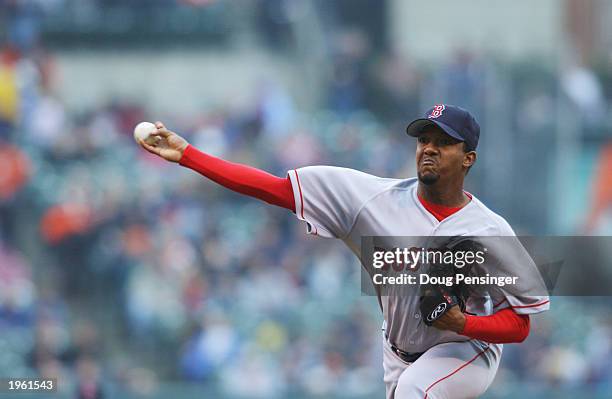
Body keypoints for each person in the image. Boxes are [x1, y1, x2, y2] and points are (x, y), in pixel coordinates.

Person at [137, 104, 550, 399]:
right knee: (411, 385)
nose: (429, 147)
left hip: (468, 350)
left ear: (468, 159)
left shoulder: (490, 232)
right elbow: (273, 188)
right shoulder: (372, 200)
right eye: (424, 138)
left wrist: (464, 325)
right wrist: (190, 157)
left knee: (416, 391)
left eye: (444, 142)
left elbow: (521, 323)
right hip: (397, 351)